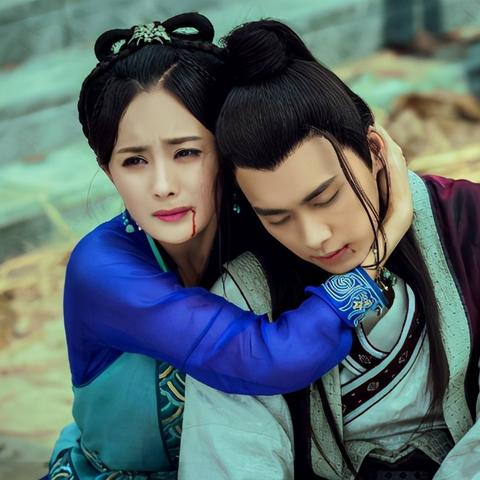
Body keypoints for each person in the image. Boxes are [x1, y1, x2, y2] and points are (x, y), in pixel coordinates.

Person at [45, 13, 410, 480]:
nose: (162, 185)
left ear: (225, 150)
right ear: (107, 170)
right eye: (134, 161)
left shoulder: (263, 226)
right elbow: (268, 358)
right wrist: (378, 252)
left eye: (186, 152)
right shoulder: (102, 270)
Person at [179, 19, 480, 480]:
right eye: (277, 217)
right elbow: (229, 461)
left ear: (374, 151)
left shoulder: (469, 223)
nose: (314, 236)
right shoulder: (245, 297)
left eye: (325, 198)